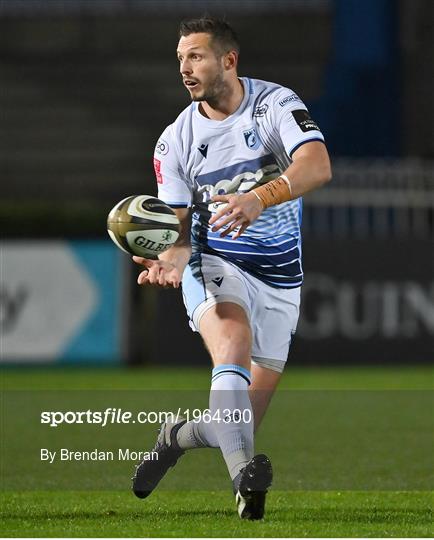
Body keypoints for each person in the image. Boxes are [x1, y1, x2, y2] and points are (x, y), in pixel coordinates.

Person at [132, 16, 331, 520]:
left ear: (229, 60)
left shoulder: (273, 105)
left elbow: (317, 165)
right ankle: (246, 485)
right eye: (180, 58)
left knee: (236, 422)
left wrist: (258, 199)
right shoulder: (175, 139)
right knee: (233, 344)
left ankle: (175, 436)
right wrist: (170, 256)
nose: (184, 68)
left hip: (282, 278)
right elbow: (174, 224)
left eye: (195, 56)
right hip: (216, 261)